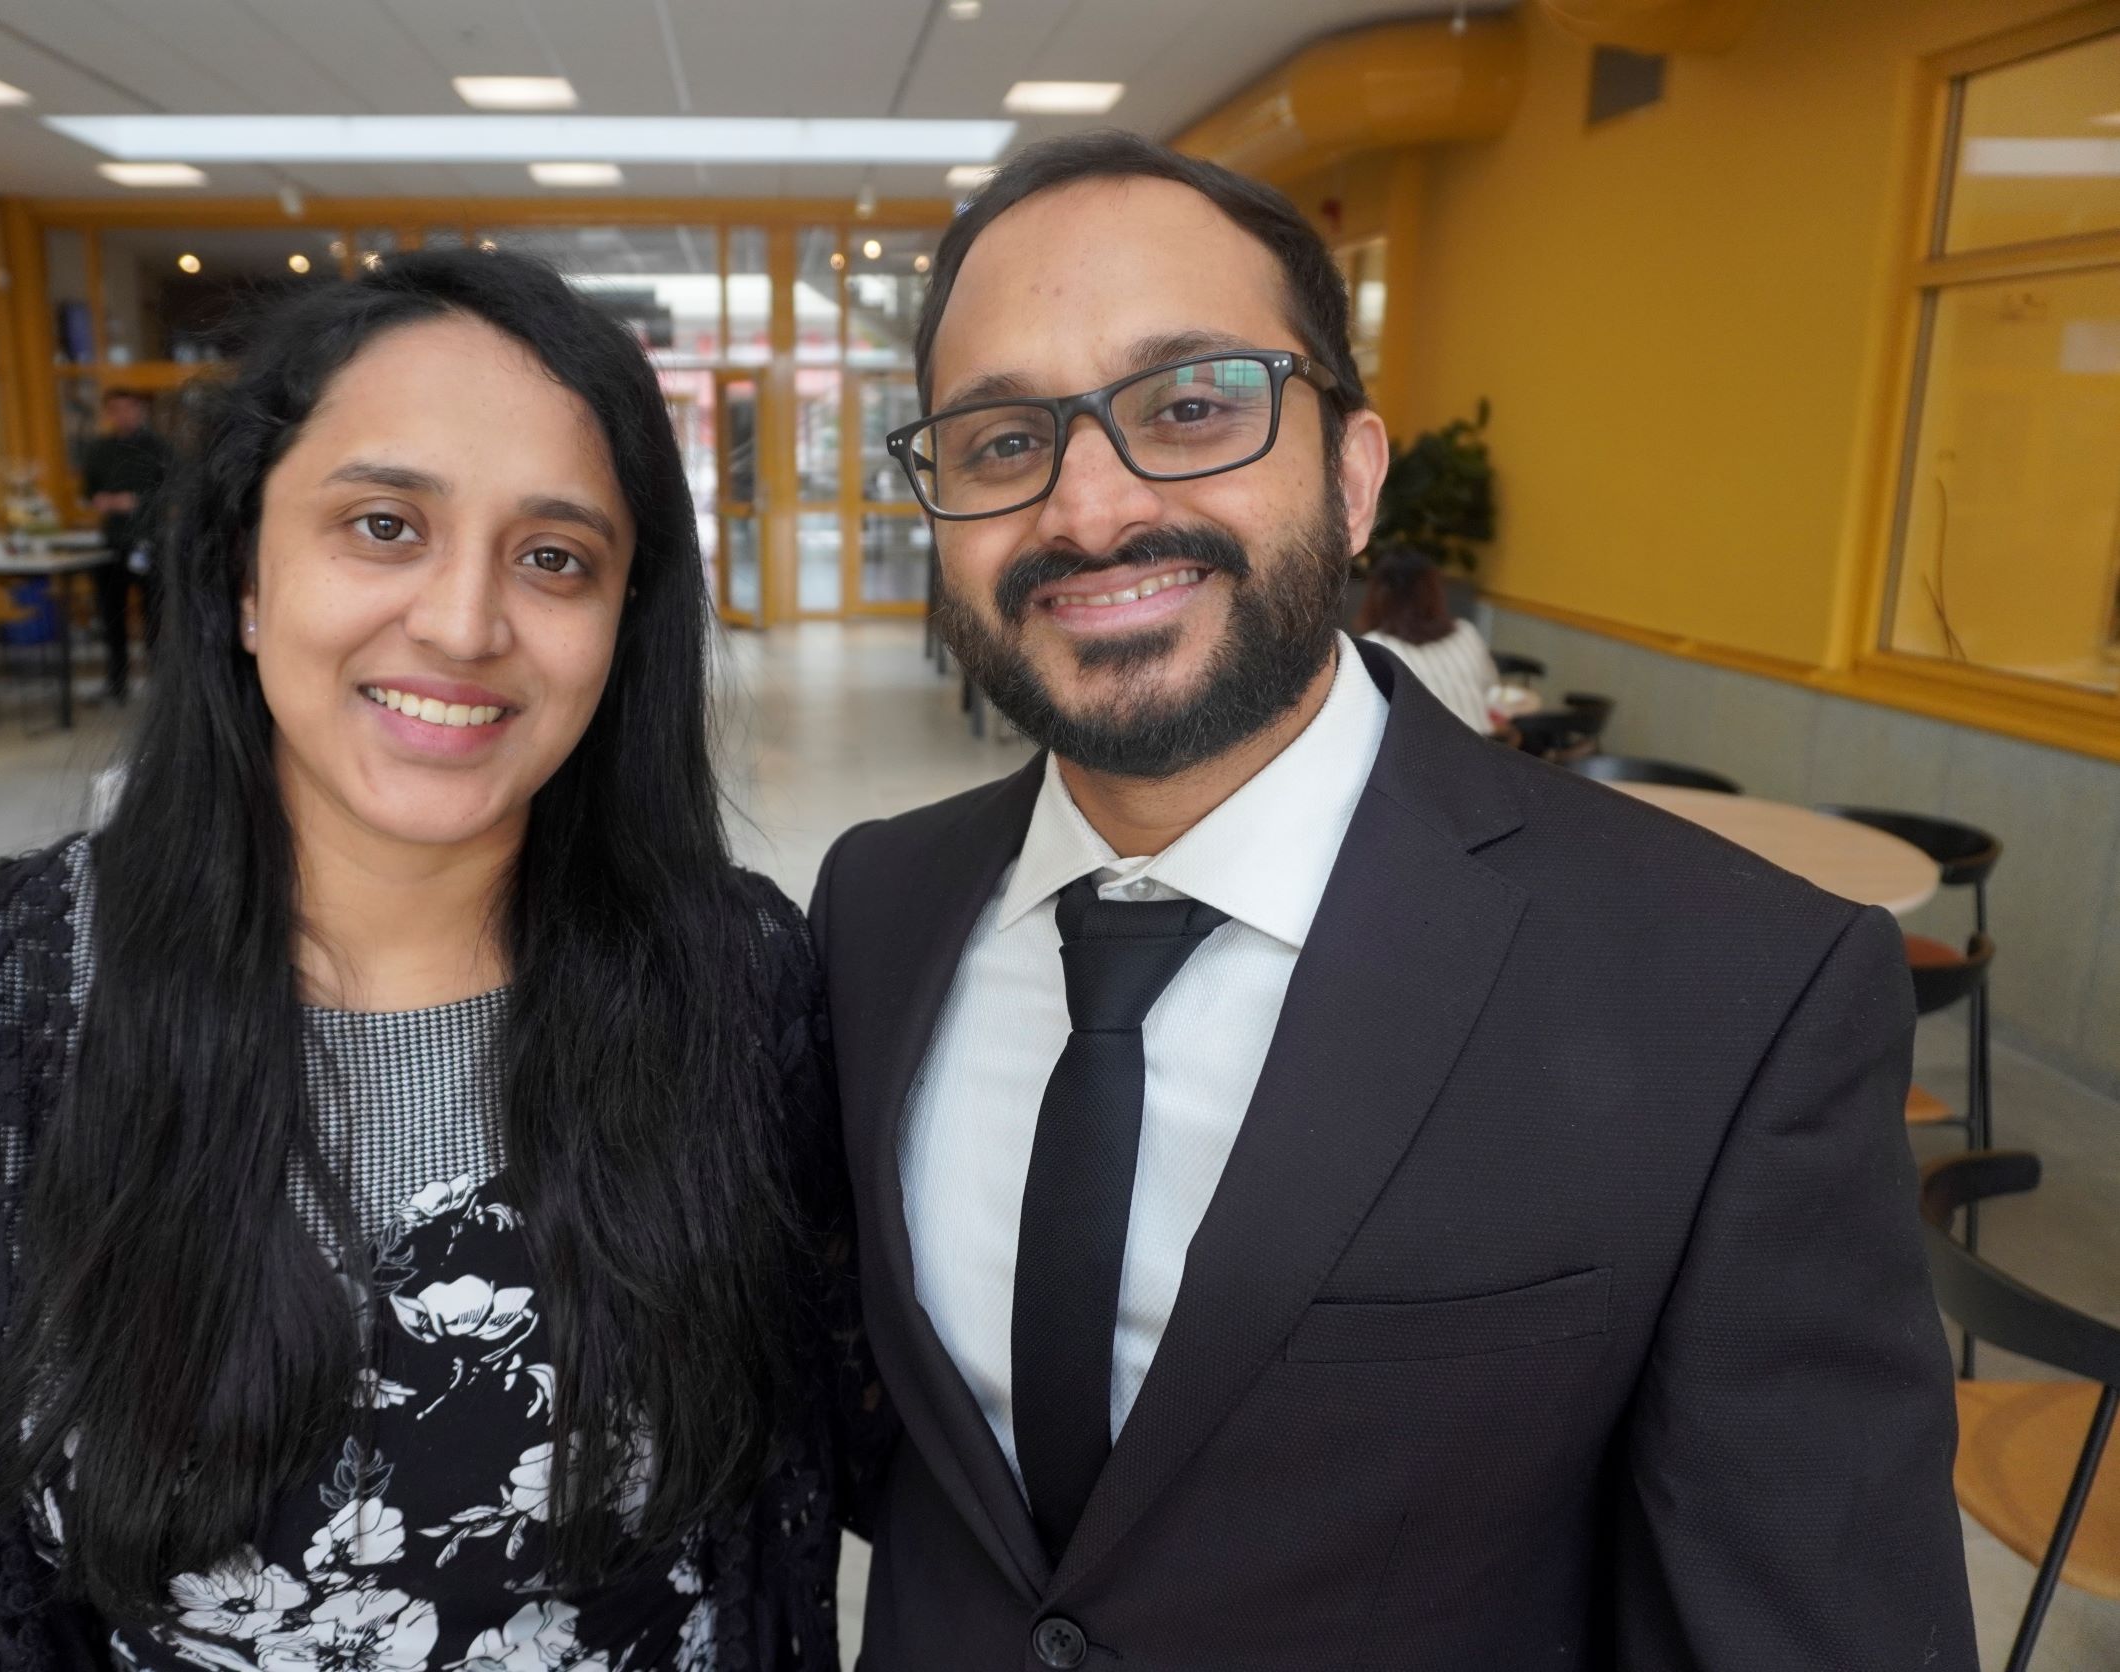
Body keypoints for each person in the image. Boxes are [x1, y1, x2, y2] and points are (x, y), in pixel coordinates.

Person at [809, 131, 1973, 1669]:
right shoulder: (878, 903)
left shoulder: (1734, 989)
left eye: (1193, 405)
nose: (1088, 511)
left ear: (1352, 476)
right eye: (1003, 441)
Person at [0, 249, 881, 1672]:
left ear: (623, 629)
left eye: (555, 556)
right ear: (243, 580)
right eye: (384, 525)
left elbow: (866, 1448)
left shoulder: (738, 982)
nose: (463, 623)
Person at [81, 387, 173, 700]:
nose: (122, 415)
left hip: (151, 542)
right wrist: (102, 501)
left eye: (128, 408)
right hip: (113, 544)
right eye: (115, 409)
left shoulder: (159, 448)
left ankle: (161, 686)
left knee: (155, 618)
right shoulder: (99, 450)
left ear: (140, 410)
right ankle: (117, 683)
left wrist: (136, 502)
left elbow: (176, 490)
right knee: (111, 617)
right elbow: (88, 490)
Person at [1356, 543, 1501, 734]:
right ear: (1434, 592)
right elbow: (1494, 692)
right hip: (1484, 750)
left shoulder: (1373, 646)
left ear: (1377, 596)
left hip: (1425, 757)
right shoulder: (1465, 632)